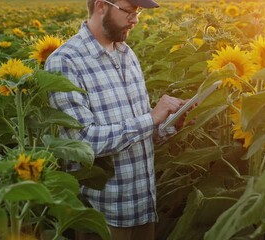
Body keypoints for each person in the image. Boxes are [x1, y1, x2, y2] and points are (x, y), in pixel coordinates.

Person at [45, 0, 189, 239]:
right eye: (130, 11)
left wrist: (169, 125)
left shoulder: (126, 53)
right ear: (102, 5)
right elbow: (82, 145)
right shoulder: (65, 62)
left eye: (138, 11)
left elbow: (140, 132)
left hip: (142, 204)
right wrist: (150, 119)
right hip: (103, 215)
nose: (135, 19)